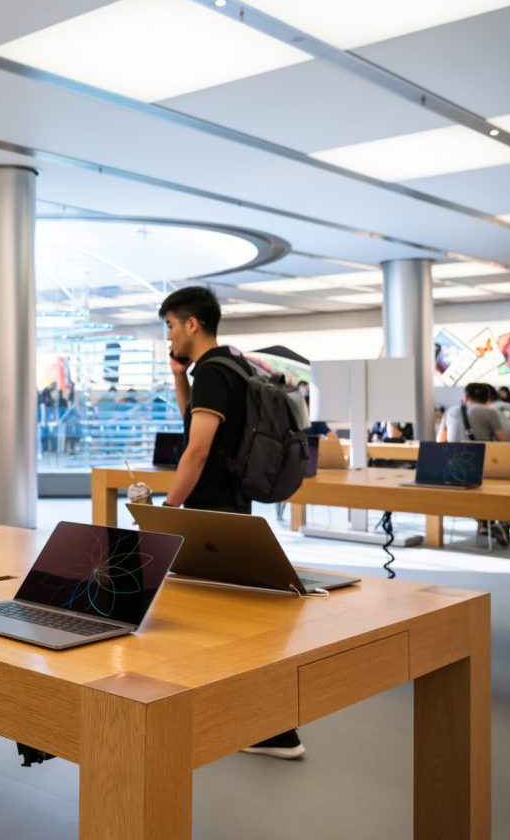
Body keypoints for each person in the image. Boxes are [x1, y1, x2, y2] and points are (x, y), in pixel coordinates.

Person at [157, 285, 304, 760]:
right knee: (222, 617)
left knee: (223, 622)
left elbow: (197, 451)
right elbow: (194, 424)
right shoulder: (231, 366)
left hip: (212, 507)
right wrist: (179, 376)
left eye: (171, 326)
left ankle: (275, 729)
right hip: (232, 503)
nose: (170, 337)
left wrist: (168, 509)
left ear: (191, 324)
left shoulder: (215, 374)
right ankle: (255, 723)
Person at [438, 382, 510, 546]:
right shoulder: (490, 412)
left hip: (454, 471)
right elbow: (504, 441)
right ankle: (501, 523)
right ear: (487, 399)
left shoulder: (450, 411)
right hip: (481, 470)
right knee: (507, 482)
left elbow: (440, 441)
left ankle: (485, 522)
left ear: (465, 397)